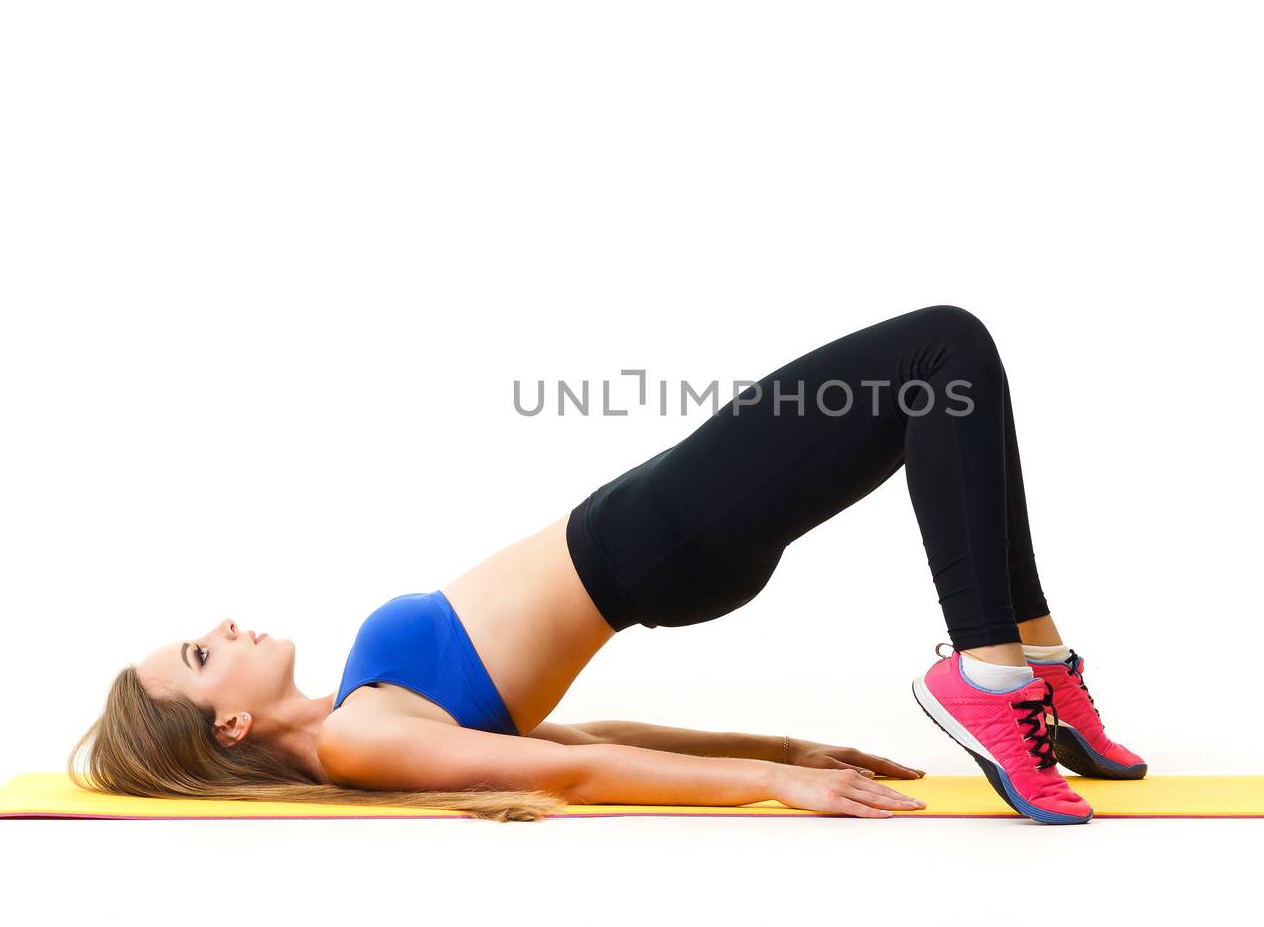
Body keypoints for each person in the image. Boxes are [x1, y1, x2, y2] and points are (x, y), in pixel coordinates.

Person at [73, 305, 1146, 824]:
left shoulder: (366, 714)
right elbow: (564, 774)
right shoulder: (358, 743)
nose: (224, 623)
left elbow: (576, 734)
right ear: (226, 725)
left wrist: (778, 739)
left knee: (950, 376)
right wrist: (768, 782)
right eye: (203, 652)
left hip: (656, 524)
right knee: (940, 350)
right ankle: (989, 675)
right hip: (657, 535)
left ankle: (1032, 666)